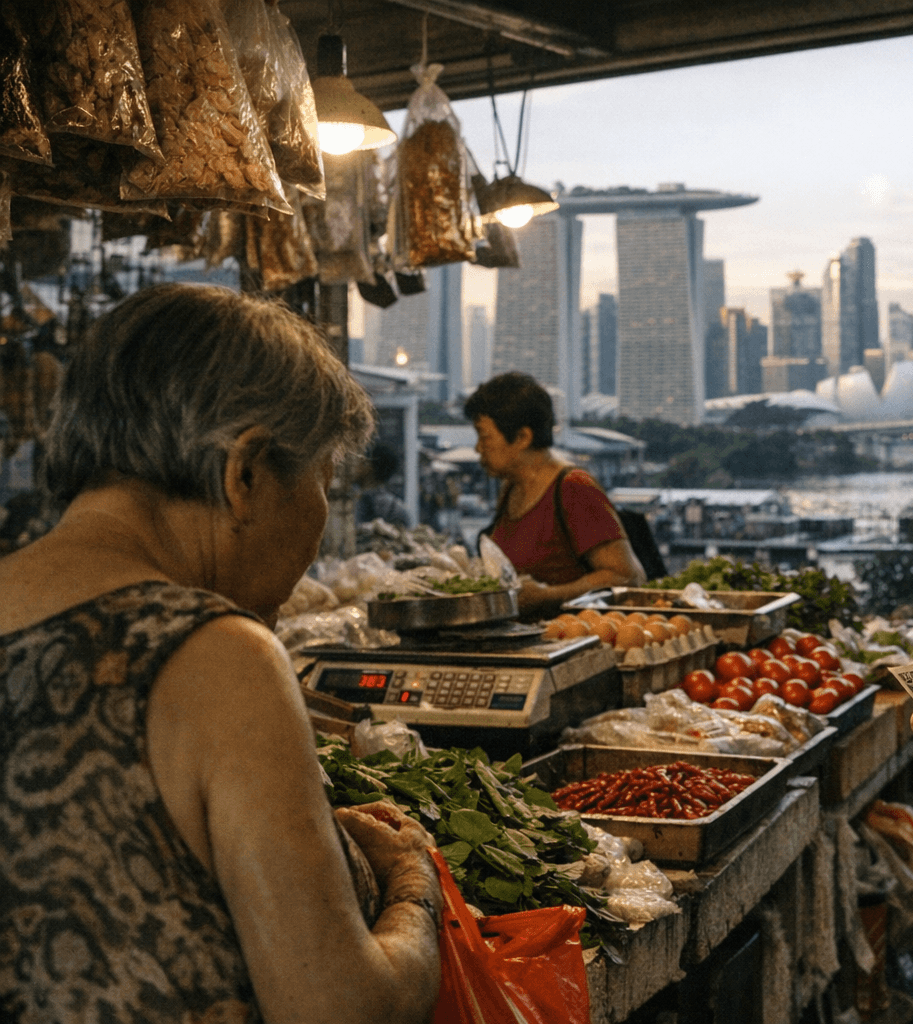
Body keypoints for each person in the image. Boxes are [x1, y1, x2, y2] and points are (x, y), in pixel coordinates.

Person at [0, 284, 442, 1024]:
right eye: (323, 482)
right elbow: (341, 1011)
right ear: (246, 474)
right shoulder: (214, 654)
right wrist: (411, 889)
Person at [464, 371, 644, 618]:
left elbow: (626, 576)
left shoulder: (573, 487)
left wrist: (547, 596)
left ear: (522, 437)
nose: (478, 448)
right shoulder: (511, 489)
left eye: (485, 437)